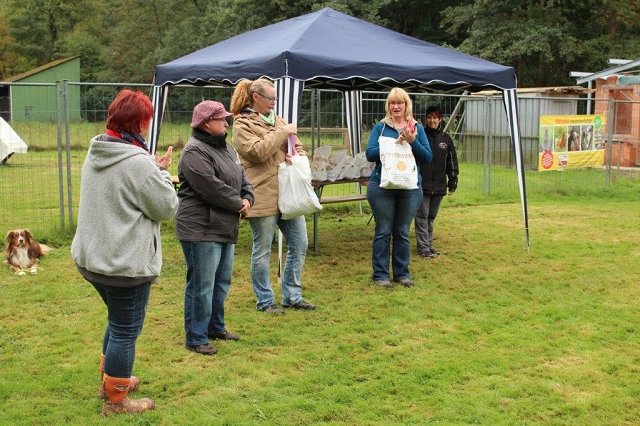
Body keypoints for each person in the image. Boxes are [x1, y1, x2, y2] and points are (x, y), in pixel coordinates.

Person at [71, 90, 179, 415]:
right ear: (140, 123)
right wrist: (161, 172)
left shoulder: (99, 148)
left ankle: (111, 382)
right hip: (123, 264)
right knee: (125, 329)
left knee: (118, 322)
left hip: (94, 258)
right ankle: (116, 401)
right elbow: (166, 207)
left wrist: (152, 169)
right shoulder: (137, 162)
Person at [230, 78, 316, 313]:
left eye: (275, 98)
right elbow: (257, 152)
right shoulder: (241, 124)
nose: (274, 102)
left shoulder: (278, 120)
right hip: (262, 193)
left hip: (288, 193)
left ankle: (292, 296)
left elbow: (297, 145)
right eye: (270, 98)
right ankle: (265, 300)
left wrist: (296, 156)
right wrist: (282, 133)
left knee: (300, 243)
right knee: (262, 250)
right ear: (255, 97)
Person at [176, 100, 254, 355]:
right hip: (200, 227)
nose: (226, 123)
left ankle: (215, 327)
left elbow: (242, 177)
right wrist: (239, 204)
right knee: (202, 285)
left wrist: (248, 197)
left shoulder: (227, 148)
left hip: (224, 224)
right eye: (222, 119)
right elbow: (211, 187)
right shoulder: (193, 152)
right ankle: (196, 337)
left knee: (221, 281)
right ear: (207, 123)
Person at [365, 88, 432, 288]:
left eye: (399, 102)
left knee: (402, 231)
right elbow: (369, 153)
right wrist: (392, 144)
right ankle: (380, 275)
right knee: (383, 230)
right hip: (382, 186)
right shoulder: (381, 127)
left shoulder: (416, 128)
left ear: (406, 105)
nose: (396, 106)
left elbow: (427, 157)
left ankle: (402, 274)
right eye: (392, 103)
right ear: (388, 106)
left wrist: (412, 141)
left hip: (410, 187)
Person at [415, 106, 459, 258]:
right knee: (422, 216)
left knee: (431, 216)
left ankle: (429, 245)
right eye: (429, 117)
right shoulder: (420, 136)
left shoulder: (446, 139)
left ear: (440, 119)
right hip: (422, 184)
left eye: (435, 117)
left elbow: (452, 163)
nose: (432, 120)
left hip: (439, 185)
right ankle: (423, 248)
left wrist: (452, 182)